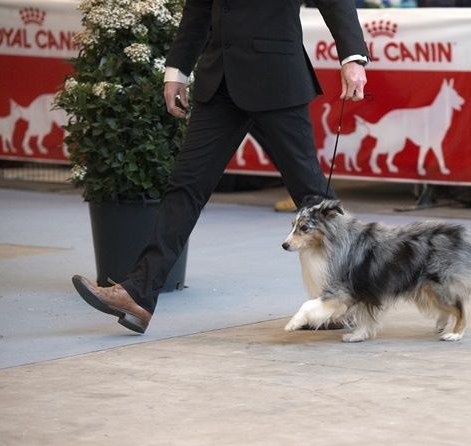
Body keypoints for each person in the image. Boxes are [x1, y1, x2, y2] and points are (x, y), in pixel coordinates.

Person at [72, 0, 369, 334]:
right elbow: (198, 11)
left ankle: (351, 298)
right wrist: (177, 71)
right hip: (219, 84)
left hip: (276, 78)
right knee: (185, 185)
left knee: (313, 196)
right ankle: (138, 293)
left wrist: (353, 57)